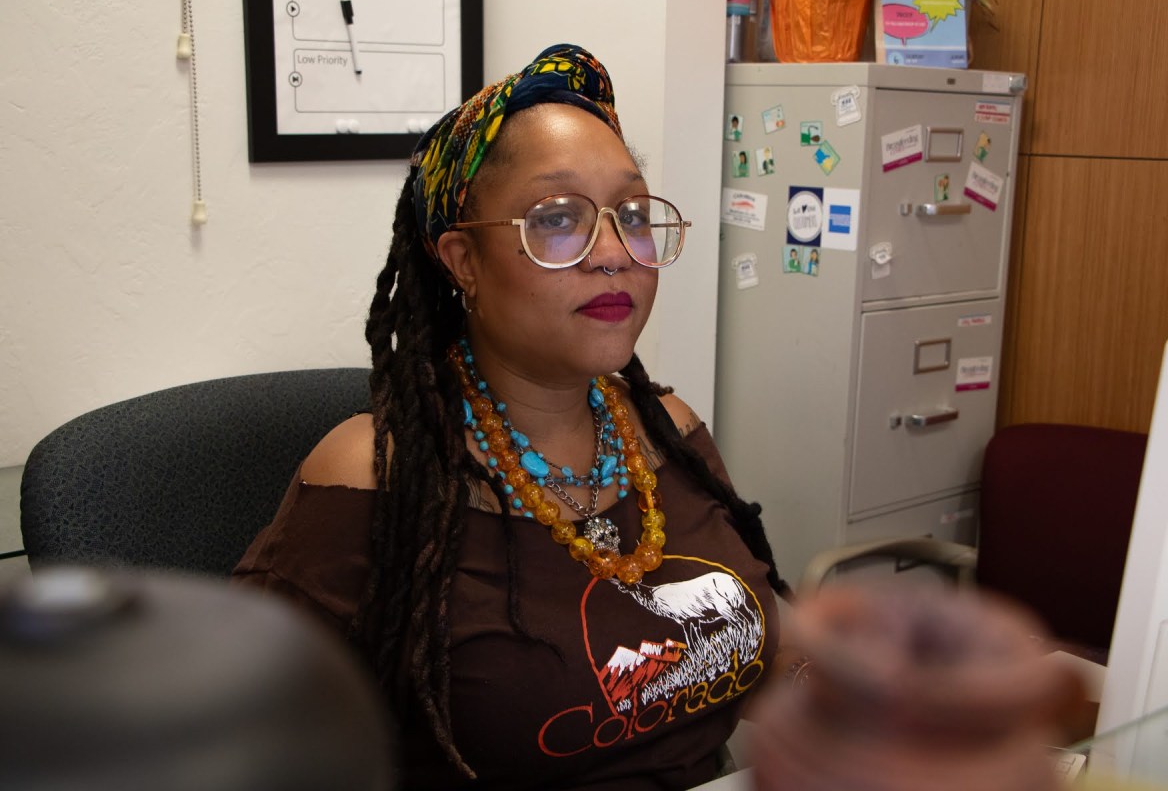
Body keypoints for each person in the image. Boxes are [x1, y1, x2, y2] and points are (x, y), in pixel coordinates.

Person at [234, 44, 787, 790]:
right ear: (462, 260)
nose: (614, 251)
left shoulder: (668, 431)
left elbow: (767, 656)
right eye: (558, 218)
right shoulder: (374, 475)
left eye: (631, 213)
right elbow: (242, 738)